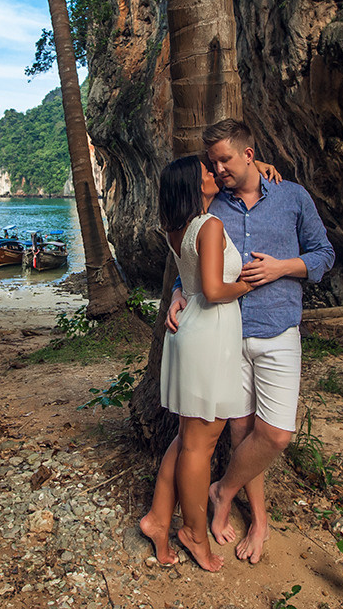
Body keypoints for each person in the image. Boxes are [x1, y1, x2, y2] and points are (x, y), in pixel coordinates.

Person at [166, 118, 334, 564]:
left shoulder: (292, 196)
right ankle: (258, 519)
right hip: (227, 334)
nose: (218, 168)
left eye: (225, 159)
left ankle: (223, 489)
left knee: (275, 434)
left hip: (279, 327)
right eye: (211, 162)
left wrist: (282, 267)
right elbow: (192, 258)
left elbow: (324, 254)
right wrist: (180, 293)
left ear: (249, 154)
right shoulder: (211, 206)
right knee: (241, 429)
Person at [139, 154, 252, 572]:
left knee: (189, 439)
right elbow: (213, 289)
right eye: (206, 171)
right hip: (209, 334)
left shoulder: (179, 228)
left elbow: (189, 283)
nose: (214, 173)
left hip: (191, 332)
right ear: (192, 184)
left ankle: (156, 518)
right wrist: (254, 281)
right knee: (200, 444)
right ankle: (193, 533)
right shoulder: (209, 226)